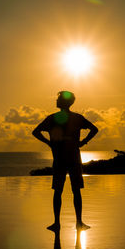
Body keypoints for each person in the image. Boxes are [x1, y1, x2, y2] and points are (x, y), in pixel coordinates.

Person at [32, 91, 98, 231]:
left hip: (60, 158)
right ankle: (78, 222)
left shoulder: (52, 118)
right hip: (73, 157)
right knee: (75, 190)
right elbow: (94, 129)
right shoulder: (77, 118)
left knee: (58, 190)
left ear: (62, 102)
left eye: (58, 99)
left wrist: (49, 143)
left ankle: (58, 223)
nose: (56, 100)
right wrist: (83, 142)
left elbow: (35, 132)